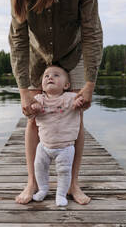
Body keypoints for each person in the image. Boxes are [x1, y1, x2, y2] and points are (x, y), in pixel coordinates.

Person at [9, 0, 103, 205]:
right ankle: (33, 182)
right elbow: (18, 39)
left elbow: (92, 32)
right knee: (33, 119)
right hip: (37, 56)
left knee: (76, 117)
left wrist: (90, 83)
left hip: (73, 52)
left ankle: (72, 183)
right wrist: (23, 91)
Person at [29, 65, 84, 206]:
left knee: (64, 171)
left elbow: (80, 103)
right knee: (39, 167)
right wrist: (33, 107)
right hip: (44, 146)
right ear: (41, 84)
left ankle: (61, 194)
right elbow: (29, 110)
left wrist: (79, 102)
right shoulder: (38, 99)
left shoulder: (70, 97)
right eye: (46, 76)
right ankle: (42, 189)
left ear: (66, 85)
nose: (50, 77)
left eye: (56, 75)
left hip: (65, 147)